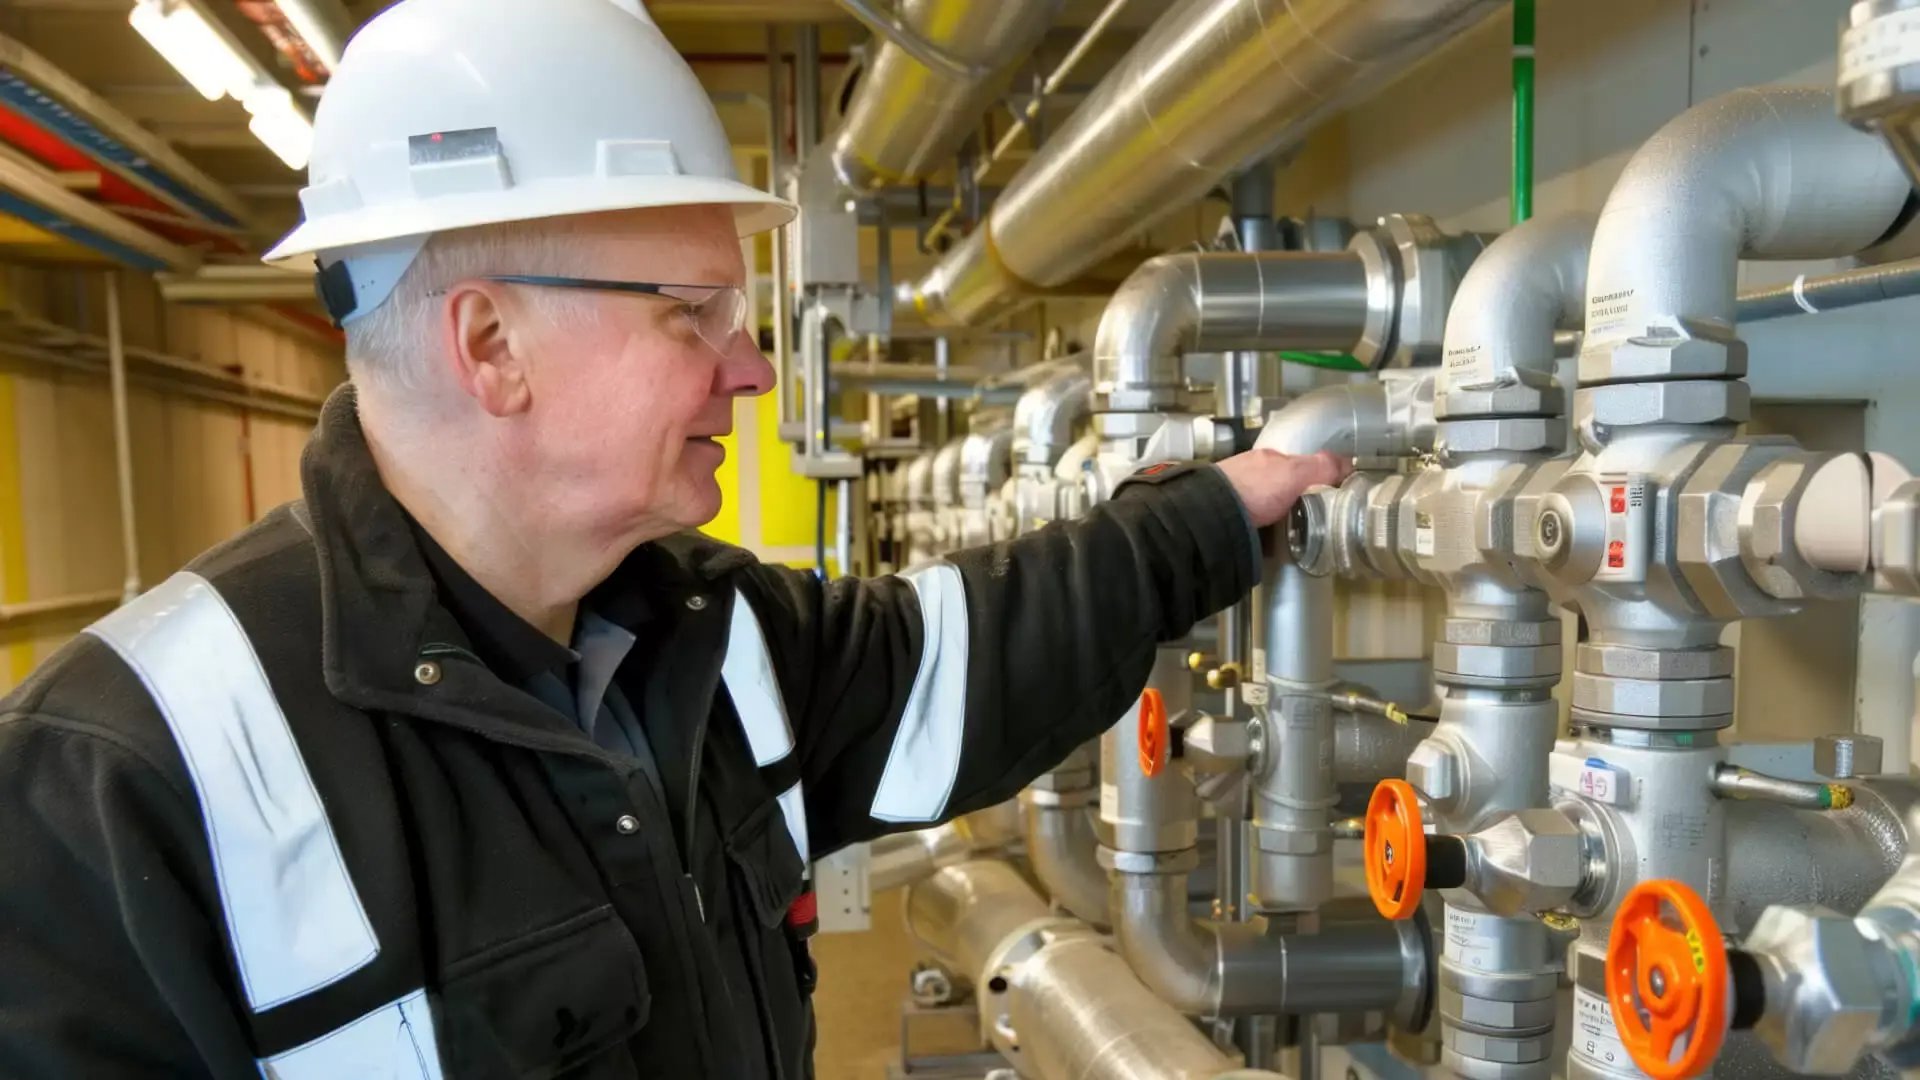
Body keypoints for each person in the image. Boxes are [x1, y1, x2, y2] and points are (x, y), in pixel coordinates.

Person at [0, 1, 1350, 1077]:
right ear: (492, 345)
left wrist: (1213, 515)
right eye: (691, 312)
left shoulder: (697, 637)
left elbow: (967, 651)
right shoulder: (118, 785)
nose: (753, 369)